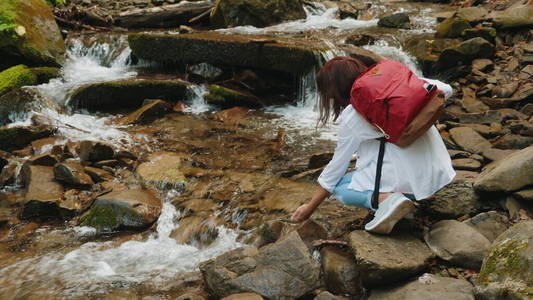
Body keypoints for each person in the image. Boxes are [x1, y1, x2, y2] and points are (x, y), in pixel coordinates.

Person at [290, 56, 455, 234]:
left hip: (409, 183)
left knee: (340, 189)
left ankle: (388, 199)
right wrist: (410, 106)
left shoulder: (353, 115)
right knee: (349, 178)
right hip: (436, 174)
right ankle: (410, 195)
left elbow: (336, 168)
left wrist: (310, 207)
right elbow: (446, 89)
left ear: (335, 91)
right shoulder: (404, 87)